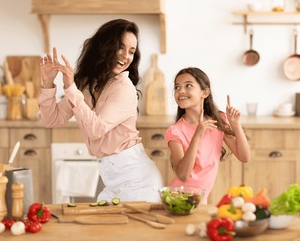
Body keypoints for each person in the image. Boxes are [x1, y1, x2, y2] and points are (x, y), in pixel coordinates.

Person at [38, 19, 163, 202]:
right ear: (104, 46)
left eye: (131, 51)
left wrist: (71, 88)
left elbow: (96, 129)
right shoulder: (86, 84)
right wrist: (48, 83)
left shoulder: (123, 88)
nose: (126, 56)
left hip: (138, 181)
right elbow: (51, 120)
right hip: (114, 181)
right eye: (120, 47)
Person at [166, 67, 250, 203]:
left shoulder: (219, 121)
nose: (180, 91)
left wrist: (236, 125)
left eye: (188, 86)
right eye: (177, 87)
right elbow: (182, 175)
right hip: (179, 198)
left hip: (201, 199)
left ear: (204, 93)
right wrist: (197, 136)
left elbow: (244, 156)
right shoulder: (175, 131)